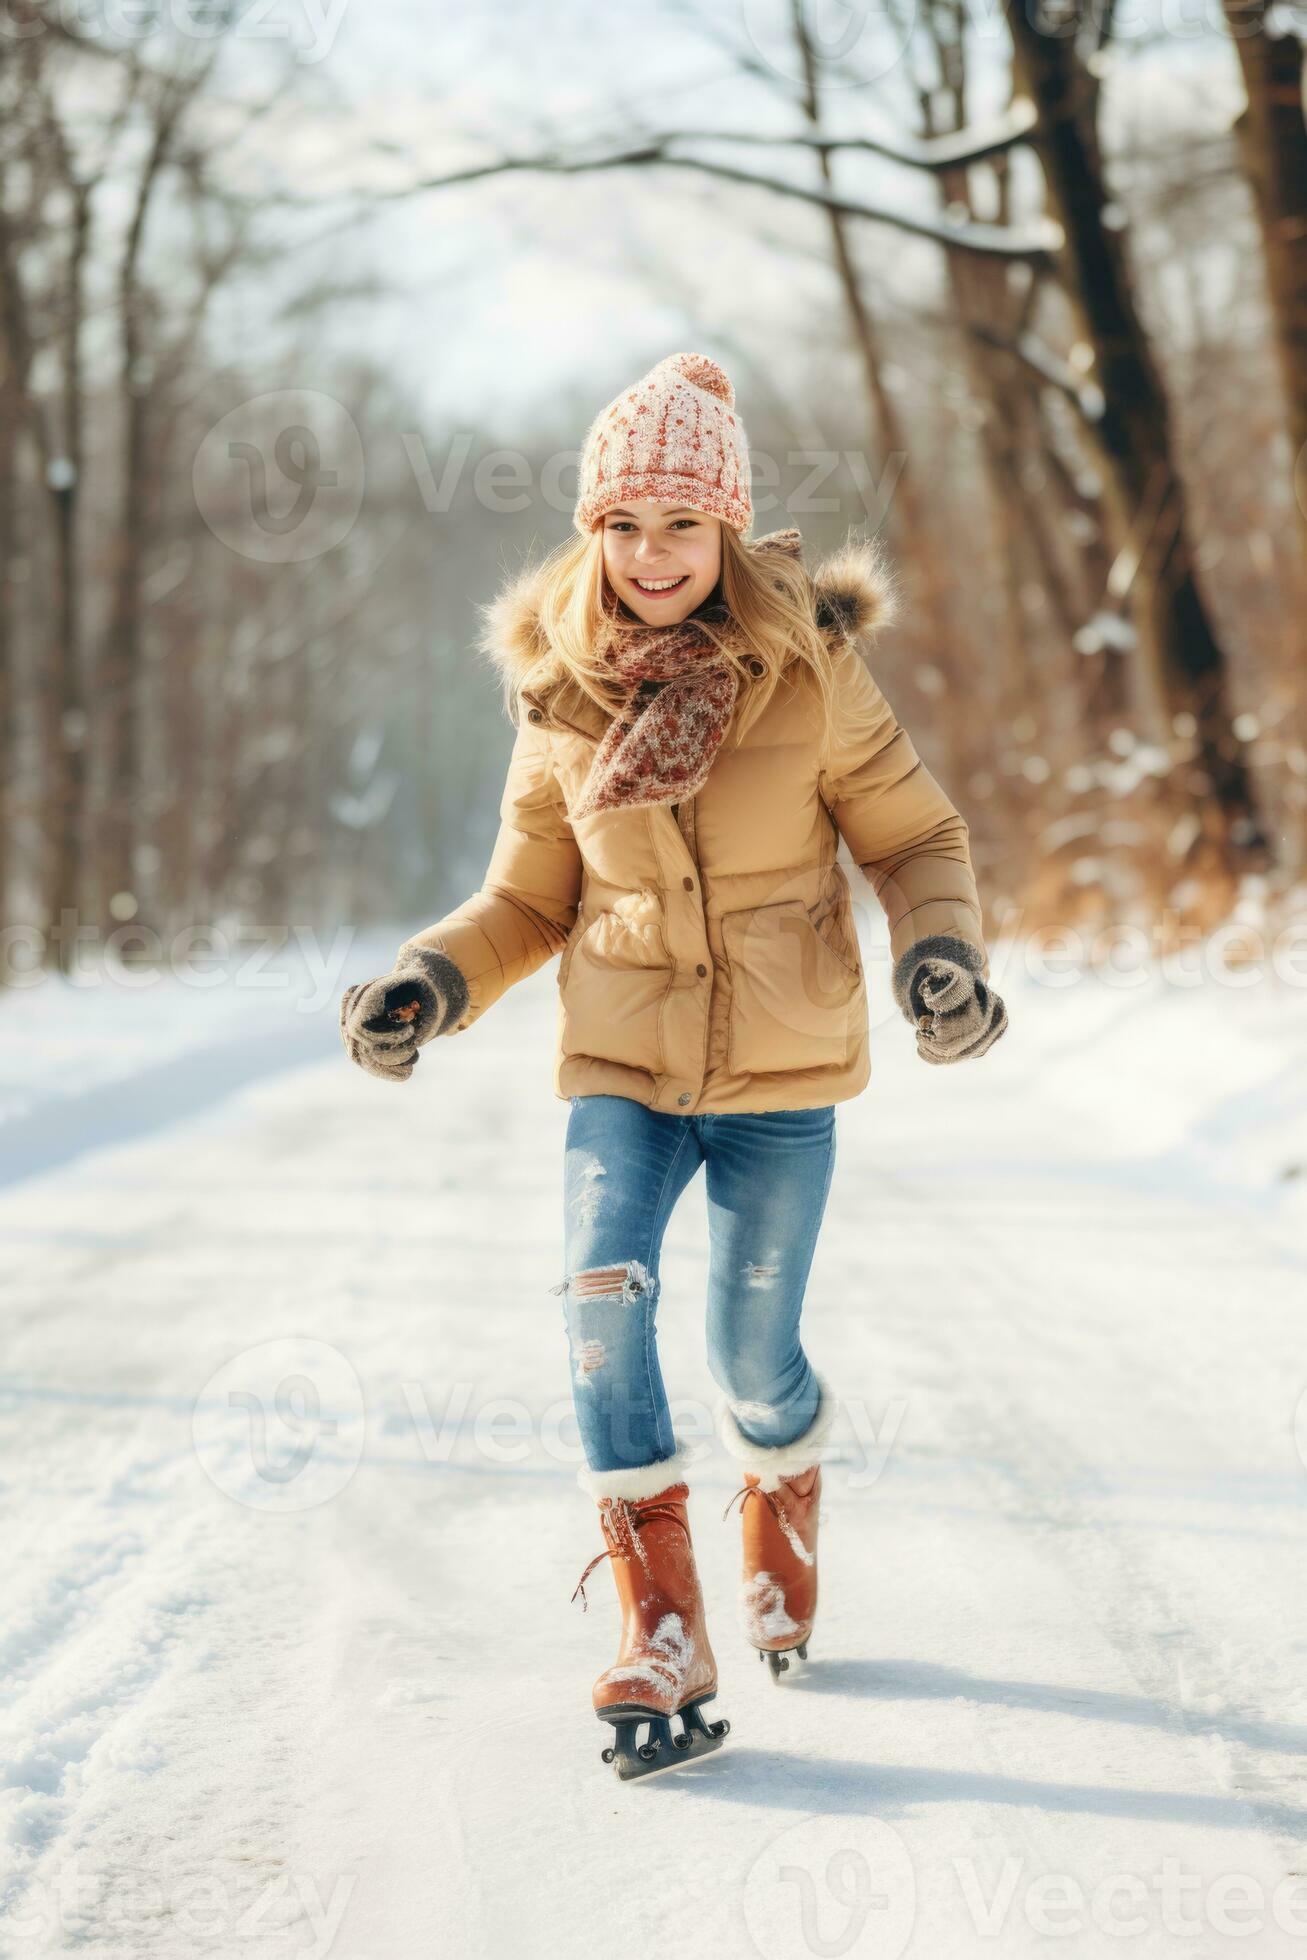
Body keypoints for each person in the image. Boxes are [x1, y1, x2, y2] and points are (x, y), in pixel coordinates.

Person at [340, 350, 1007, 1780]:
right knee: (598, 1302)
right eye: (625, 526)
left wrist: (938, 962)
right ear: (593, 530)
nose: (653, 557)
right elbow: (527, 897)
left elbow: (915, 840)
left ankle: (783, 1483)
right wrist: (431, 978)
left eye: (682, 526)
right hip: (623, 1070)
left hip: (781, 1071)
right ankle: (664, 1629)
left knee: (749, 1358)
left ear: (728, 527)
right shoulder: (561, 693)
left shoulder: (813, 670)